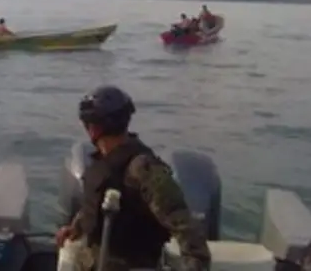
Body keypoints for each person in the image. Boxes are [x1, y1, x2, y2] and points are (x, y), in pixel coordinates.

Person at [56, 85, 211, 271]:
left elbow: (182, 221)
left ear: (93, 130)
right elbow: (95, 204)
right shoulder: (103, 163)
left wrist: (196, 265)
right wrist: (76, 228)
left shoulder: (142, 169)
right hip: (94, 261)